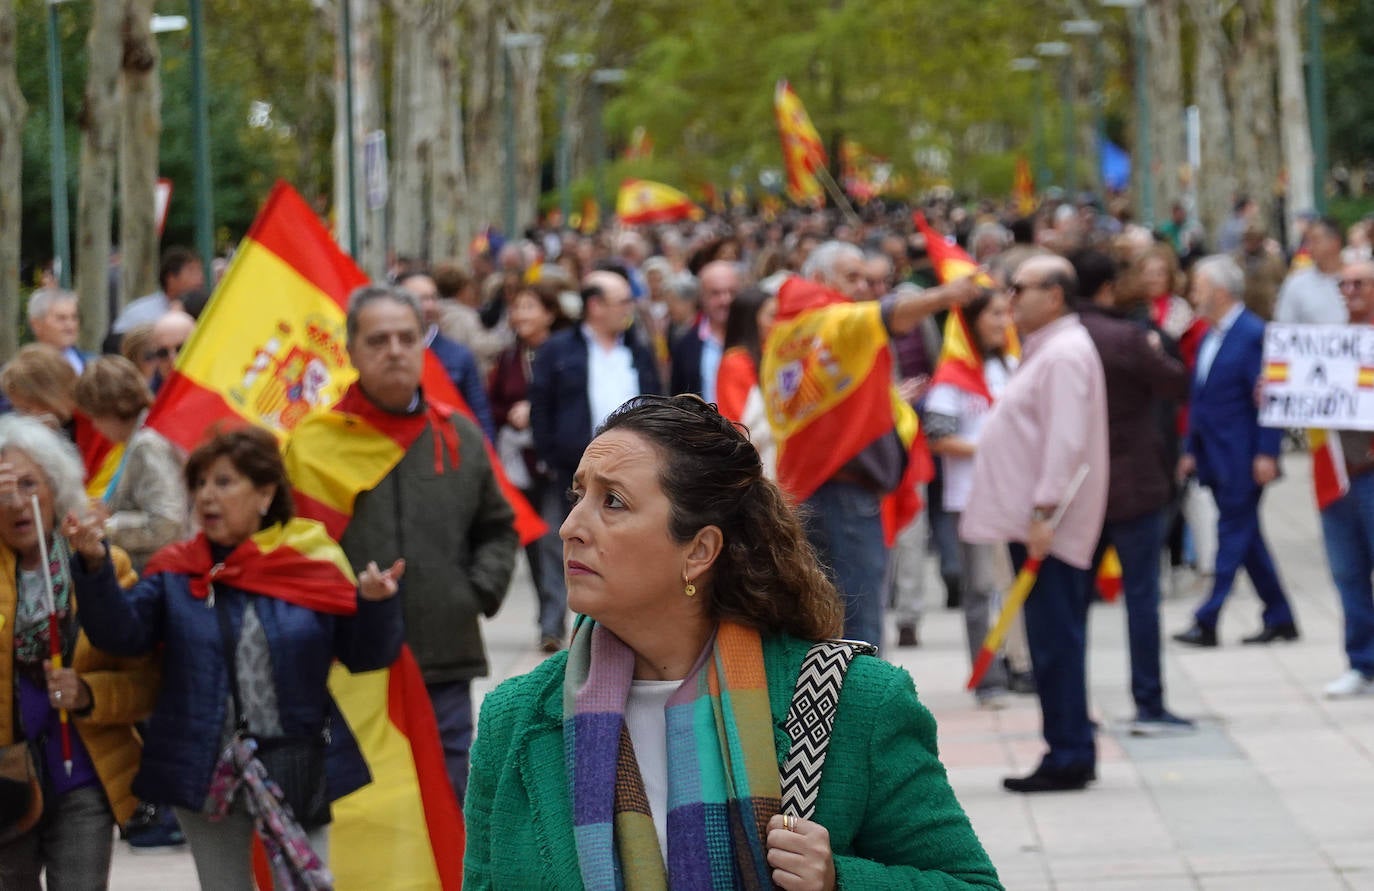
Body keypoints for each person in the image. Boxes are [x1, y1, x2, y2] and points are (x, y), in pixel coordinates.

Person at [463, 395, 1004, 889]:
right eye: (579, 495)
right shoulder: (514, 720)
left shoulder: (853, 702)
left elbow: (971, 884)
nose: (570, 527)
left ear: (699, 551)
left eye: (614, 502)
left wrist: (837, 880)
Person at [69, 426, 405, 890]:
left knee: (305, 884)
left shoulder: (307, 568)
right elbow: (121, 636)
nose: (207, 496)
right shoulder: (176, 572)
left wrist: (375, 604)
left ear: (265, 494)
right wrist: (94, 567)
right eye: (200, 483)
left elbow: (365, 655)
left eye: (224, 482)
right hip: (201, 764)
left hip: (295, 763)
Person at [285, 285, 518, 806]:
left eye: (406, 338)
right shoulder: (314, 445)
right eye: (378, 340)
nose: (394, 351)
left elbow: (497, 529)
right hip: (349, 667)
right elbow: (292, 552)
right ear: (351, 350)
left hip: (443, 658)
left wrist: (472, 593)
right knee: (371, 812)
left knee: (447, 803)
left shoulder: (458, 436)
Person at [761, 241, 977, 649]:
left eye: (866, 278)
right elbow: (890, 313)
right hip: (845, 494)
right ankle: (861, 694)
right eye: (852, 277)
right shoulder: (835, 320)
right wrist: (946, 295)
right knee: (859, 630)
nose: (863, 287)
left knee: (826, 624)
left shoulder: (789, 329)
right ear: (820, 279)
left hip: (808, 488)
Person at [961, 255, 1110, 793]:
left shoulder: (1065, 352)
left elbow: (1065, 442)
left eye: (1020, 288)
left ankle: (1067, 753)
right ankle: (1069, 746)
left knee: (1054, 642)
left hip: (1050, 526)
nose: (1010, 298)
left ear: (1055, 295)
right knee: (1052, 638)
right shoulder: (1048, 348)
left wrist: (1045, 511)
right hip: (1038, 522)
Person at [0, 415, 158, 889]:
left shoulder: (102, 565)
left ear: (56, 488)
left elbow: (145, 682)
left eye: (29, 484)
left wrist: (88, 693)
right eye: (3, 489)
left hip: (83, 777)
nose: (16, 501)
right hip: (7, 781)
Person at [1073, 250, 1195, 734]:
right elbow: (1175, 381)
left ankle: (1071, 709)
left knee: (1071, 604)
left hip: (1078, 487)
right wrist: (1160, 346)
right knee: (1142, 598)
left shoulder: (1059, 338)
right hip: (1135, 484)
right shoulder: (1126, 336)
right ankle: (1149, 701)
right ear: (1108, 287)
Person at [1173, 255, 1299, 647]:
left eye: (1199, 288)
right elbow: (1201, 397)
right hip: (1214, 453)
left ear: (1220, 292)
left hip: (1243, 455)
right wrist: (1191, 448)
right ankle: (1280, 616)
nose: (1193, 296)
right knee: (1247, 538)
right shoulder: (1209, 335)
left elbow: (1270, 397)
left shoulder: (1252, 333)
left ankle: (1207, 618)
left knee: (1231, 534)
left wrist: (1267, 452)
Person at [924, 292, 1019, 705]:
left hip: (1016, 494)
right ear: (973, 321)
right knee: (980, 589)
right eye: (995, 314)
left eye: (1006, 313)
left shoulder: (1011, 365)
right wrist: (989, 449)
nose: (1004, 322)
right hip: (971, 499)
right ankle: (988, 678)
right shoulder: (952, 376)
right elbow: (938, 436)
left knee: (1017, 586)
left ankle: (1021, 666)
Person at [488, 282, 571, 652]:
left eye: (529, 307)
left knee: (552, 536)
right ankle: (547, 617)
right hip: (518, 465)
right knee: (533, 542)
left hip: (554, 461)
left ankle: (553, 622)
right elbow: (491, 404)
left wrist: (536, 413)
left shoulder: (564, 352)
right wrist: (511, 413)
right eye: (517, 307)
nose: (520, 315)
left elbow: (569, 401)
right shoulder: (509, 358)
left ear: (549, 313)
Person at [74, 356, 188, 571]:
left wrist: (108, 526)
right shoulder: (146, 434)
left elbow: (166, 521)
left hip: (161, 572)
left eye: (94, 417)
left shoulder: (147, 444)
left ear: (107, 409)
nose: (96, 427)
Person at [396, 269, 497, 440]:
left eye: (433, 298)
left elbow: (480, 415)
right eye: (420, 299)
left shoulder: (459, 356)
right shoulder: (388, 355)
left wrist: (487, 451)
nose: (429, 306)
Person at [715, 286, 778, 476]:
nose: (779, 322)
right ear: (751, 320)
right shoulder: (735, 362)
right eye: (772, 316)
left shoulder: (774, 355)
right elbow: (738, 428)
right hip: (758, 467)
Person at [669, 260, 742, 401]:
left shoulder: (757, 337)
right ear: (702, 297)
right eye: (715, 293)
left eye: (732, 292)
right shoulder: (685, 346)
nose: (725, 300)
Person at [110, 247, 205, 339]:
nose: (200, 278)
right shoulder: (138, 313)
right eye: (192, 272)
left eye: (200, 271)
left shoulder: (204, 311)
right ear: (171, 278)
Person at [1275, 217, 1346, 325]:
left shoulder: (1360, 279)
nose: (1309, 247)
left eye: (1316, 241)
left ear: (1335, 242)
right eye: (1307, 242)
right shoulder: (1295, 283)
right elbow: (1284, 324)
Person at [26, 288, 93, 374]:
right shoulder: (22, 370)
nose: (70, 325)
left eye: (74, 318)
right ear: (36, 325)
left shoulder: (93, 365)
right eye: (61, 318)